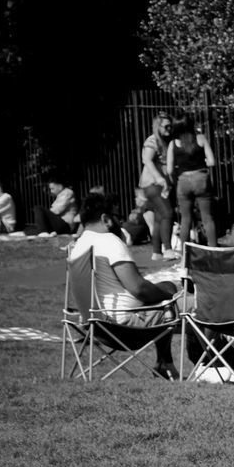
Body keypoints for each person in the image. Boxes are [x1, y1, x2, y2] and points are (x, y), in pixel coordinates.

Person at [67, 192, 178, 378]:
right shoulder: (108, 240)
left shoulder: (78, 246)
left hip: (95, 326)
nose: (121, 222)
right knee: (197, 305)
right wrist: (169, 291)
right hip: (126, 327)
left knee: (165, 298)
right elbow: (139, 289)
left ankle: (164, 364)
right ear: (106, 219)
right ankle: (213, 366)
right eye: (118, 217)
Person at [165, 112, 218, 247]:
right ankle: (213, 249)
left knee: (186, 219)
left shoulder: (173, 144)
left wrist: (176, 175)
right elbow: (212, 162)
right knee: (207, 218)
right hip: (201, 178)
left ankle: (185, 254)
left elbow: (170, 169)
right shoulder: (200, 138)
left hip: (183, 181)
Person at [138, 109, 176, 261]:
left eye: (170, 126)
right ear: (157, 127)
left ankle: (156, 252)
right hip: (153, 183)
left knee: (160, 218)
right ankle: (167, 249)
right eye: (165, 126)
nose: (169, 129)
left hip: (164, 183)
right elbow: (146, 160)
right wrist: (159, 178)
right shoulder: (152, 140)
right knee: (168, 213)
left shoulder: (169, 141)